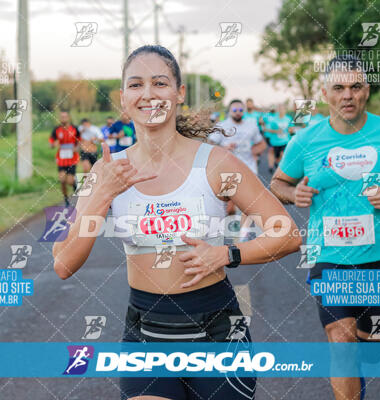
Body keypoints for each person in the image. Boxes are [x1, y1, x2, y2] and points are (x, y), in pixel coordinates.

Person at [53, 44, 301, 400]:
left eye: (160, 83)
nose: (149, 94)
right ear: (123, 99)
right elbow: (63, 264)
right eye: (136, 85)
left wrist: (226, 255)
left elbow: (287, 234)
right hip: (146, 333)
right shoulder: (106, 171)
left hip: (216, 330)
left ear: (179, 93)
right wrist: (103, 194)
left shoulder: (216, 163)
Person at [269, 55, 380, 400]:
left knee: (371, 349)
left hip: (378, 257)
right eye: (339, 87)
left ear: (367, 92)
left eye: (355, 87)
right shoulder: (306, 140)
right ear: (325, 92)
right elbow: (278, 184)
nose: (347, 95)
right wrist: (293, 192)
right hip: (327, 254)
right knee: (341, 342)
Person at [209, 99, 267, 241]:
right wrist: (224, 149)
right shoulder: (222, 126)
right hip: (228, 170)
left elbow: (261, 144)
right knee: (230, 207)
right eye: (235, 110)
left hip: (248, 167)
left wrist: (256, 150)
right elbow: (210, 145)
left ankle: (244, 233)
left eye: (241, 110)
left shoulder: (251, 125)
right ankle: (234, 226)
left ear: (244, 112)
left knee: (247, 202)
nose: (238, 112)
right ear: (229, 111)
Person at [49, 111, 81, 207]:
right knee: (62, 180)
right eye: (61, 117)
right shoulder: (56, 130)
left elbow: (79, 141)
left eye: (65, 117)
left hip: (72, 159)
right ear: (60, 118)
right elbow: (51, 143)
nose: (63, 118)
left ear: (68, 117)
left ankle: (75, 184)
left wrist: (77, 148)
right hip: (61, 159)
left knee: (70, 181)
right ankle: (66, 199)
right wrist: (53, 144)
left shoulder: (74, 129)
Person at [262, 103, 291, 174]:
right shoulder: (273, 119)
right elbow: (266, 129)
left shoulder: (288, 118)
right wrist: (276, 131)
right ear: (277, 110)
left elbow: (291, 128)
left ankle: (277, 167)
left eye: (283, 109)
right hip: (274, 141)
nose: (281, 110)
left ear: (285, 110)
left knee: (282, 154)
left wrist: (291, 130)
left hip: (285, 141)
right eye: (280, 109)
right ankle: (275, 163)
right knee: (275, 155)